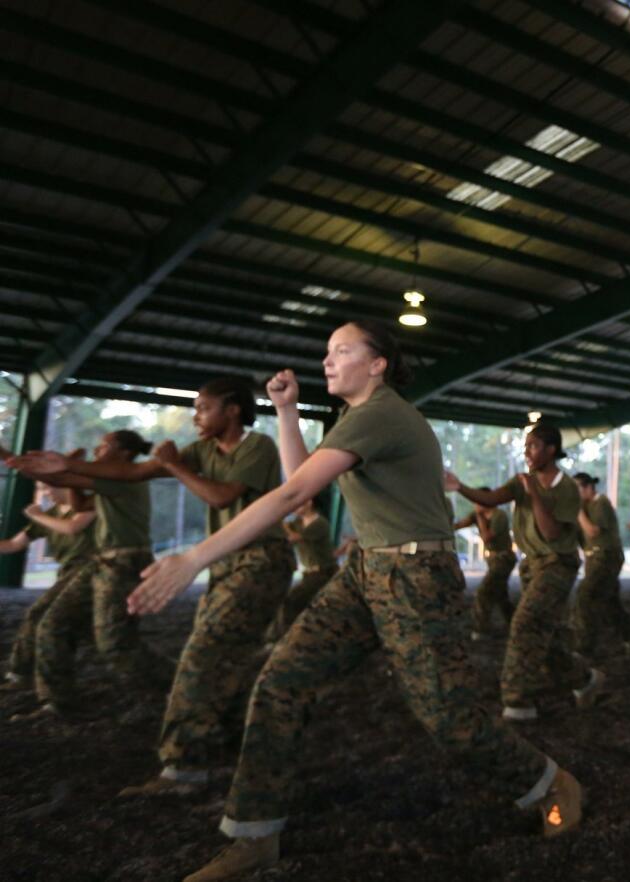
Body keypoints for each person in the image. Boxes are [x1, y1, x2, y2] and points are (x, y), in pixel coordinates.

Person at [124, 321, 580, 880]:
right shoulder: (353, 419)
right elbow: (301, 484)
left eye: (342, 350)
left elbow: (291, 493)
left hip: (417, 575)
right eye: (326, 352)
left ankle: (548, 783)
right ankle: (254, 833)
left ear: (378, 362)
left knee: (449, 720)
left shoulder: (382, 413)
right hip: (368, 568)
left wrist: (194, 558)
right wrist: (288, 413)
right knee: (281, 679)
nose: (327, 360)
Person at [29, 377, 297, 794]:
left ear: (231, 410)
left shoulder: (257, 446)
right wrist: (66, 467)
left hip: (263, 559)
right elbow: (135, 472)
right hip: (226, 561)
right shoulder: (201, 451)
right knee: (219, 656)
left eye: (203, 408)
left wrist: (174, 464)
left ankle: (185, 768)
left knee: (205, 652)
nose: (196, 416)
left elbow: (222, 497)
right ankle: (227, 746)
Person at [7, 430, 175, 720]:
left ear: (123, 453)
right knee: (51, 623)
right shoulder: (110, 479)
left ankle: (177, 688)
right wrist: (53, 465)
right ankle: (57, 702)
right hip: (102, 561)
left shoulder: (127, 475)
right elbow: (77, 502)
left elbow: (65, 481)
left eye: (105, 446)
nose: (98, 450)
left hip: (125, 561)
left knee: (115, 643)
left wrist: (68, 465)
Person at [448, 422, 604, 721]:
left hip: (558, 562)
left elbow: (551, 532)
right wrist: (460, 487)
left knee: (524, 623)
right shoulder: (521, 481)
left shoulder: (567, 488)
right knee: (544, 635)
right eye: (526, 445)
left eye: (533, 445)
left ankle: (517, 701)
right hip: (531, 564)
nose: (527, 452)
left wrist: (533, 493)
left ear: (551, 449)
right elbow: (491, 498)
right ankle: (584, 679)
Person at [0, 478, 96, 688]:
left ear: (64, 483)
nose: (43, 493)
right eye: (39, 488)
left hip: (91, 570)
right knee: (53, 622)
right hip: (67, 573)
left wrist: (38, 515)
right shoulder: (49, 515)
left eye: (46, 487)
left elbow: (72, 527)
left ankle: (32, 677)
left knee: (44, 616)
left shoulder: (88, 504)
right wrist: (40, 517)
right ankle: (22, 674)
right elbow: (14, 544)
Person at [572, 472, 630, 657]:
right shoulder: (587, 506)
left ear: (588, 488)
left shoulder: (601, 503)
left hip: (606, 556)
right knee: (609, 601)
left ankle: (584, 647)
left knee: (585, 595)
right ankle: (629, 636)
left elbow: (592, 531)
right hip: (595, 557)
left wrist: (578, 511)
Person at [268, 498, 339, 642]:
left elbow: (294, 538)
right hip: (309, 573)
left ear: (309, 502)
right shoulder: (297, 523)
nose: (295, 508)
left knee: (292, 602)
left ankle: (279, 639)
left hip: (323, 573)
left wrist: (281, 519)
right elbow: (282, 530)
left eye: (299, 503)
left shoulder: (320, 523)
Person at [452, 500, 517, 638]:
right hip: (493, 558)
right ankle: (515, 624)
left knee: (484, 592)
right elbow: (459, 525)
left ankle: (480, 628)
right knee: (500, 595)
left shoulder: (499, 515)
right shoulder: (476, 514)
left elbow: (487, 537)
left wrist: (480, 517)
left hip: (503, 557)